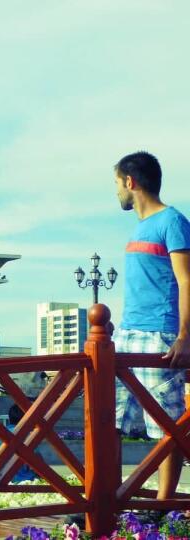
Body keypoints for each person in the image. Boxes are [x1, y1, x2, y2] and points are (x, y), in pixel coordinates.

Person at [113, 151, 190, 500]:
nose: (116, 192)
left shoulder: (172, 221)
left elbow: (186, 280)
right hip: (127, 334)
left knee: (167, 425)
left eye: (117, 184)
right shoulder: (139, 229)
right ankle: (109, 497)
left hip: (159, 333)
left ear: (130, 182)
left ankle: (164, 506)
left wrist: (185, 336)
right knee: (111, 420)